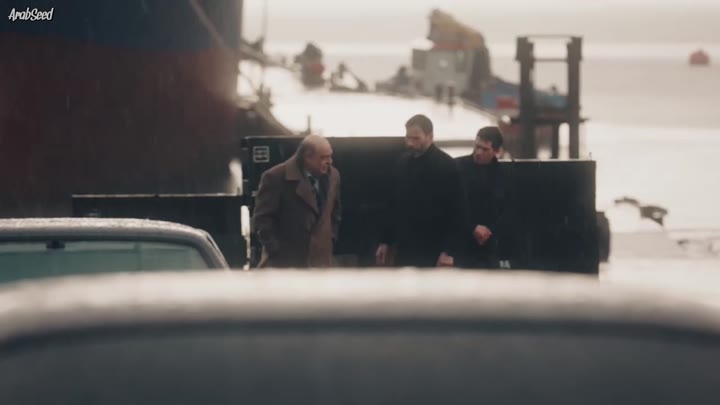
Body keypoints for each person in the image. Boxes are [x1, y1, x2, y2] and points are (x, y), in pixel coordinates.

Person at [376, 114, 464, 268]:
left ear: (430, 136)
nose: (410, 143)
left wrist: (448, 251)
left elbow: (457, 211)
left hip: (434, 248)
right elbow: (393, 204)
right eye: (408, 138)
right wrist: (385, 241)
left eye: (416, 138)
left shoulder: (447, 165)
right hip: (405, 247)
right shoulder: (402, 163)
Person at [252, 135, 342, 268]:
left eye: (330, 156)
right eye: (323, 157)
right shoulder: (275, 177)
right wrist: (276, 250)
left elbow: (335, 211)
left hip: (321, 264)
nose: (330, 161)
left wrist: (330, 238)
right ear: (307, 156)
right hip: (286, 265)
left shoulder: (333, 176)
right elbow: (262, 219)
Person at [456, 126, 511, 269]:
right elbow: (452, 205)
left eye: (485, 149)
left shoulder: (504, 174)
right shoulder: (458, 167)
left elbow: (507, 209)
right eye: (477, 146)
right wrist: (472, 227)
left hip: (491, 245)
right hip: (462, 243)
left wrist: (489, 231)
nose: (478, 152)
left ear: (496, 151)